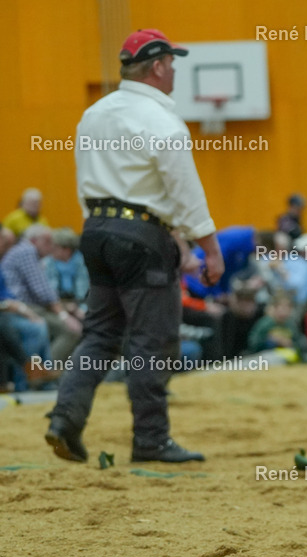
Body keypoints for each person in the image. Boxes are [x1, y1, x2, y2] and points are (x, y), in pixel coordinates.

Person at [45, 28, 225, 464]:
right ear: (158, 66)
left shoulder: (94, 114)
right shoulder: (162, 120)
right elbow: (185, 191)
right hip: (143, 237)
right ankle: (151, 439)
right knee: (152, 341)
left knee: (100, 334)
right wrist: (210, 248)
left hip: (96, 229)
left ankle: (65, 418)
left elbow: (85, 179)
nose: (175, 72)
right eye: (172, 64)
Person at [0, 224, 82, 360]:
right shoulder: (26, 251)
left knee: (74, 319)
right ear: (33, 240)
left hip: (25, 305)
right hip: (19, 307)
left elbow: (43, 294)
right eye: (47, 242)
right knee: (70, 331)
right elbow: (42, 292)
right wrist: (63, 315)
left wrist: (65, 308)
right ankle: (45, 369)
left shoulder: (31, 254)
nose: (51, 246)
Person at [43, 227, 91, 316]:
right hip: (57, 304)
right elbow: (49, 291)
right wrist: (63, 306)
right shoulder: (48, 262)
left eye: (55, 247)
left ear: (67, 250)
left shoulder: (81, 261)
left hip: (78, 303)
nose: (51, 250)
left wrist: (80, 308)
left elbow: (83, 290)